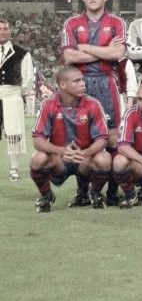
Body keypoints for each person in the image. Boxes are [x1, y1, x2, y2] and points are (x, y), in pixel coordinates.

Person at [61, 0, 127, 205]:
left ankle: (111, 192)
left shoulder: (117, 22)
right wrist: (103, 51)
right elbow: (69, 56)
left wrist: (86, 48)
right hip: (80, 83)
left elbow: (117, 54)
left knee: (111, 137)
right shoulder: (71, 23)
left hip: (107, 82)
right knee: (82, 138)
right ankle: (82, 192)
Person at [29, 66, 111, 212]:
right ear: (62, 84)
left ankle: (93, 193)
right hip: (60, 159)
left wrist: (84, 153)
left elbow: (102, 139)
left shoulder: (93, 104)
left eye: (82, 80)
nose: (83, 84)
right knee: (38, 159)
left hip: (84, 157)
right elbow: (37, 140)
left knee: (104, 159)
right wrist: (61, 151)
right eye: (77, 81)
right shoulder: (49, 104)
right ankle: (46, 196)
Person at [0, 18, 35, 181]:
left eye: (5, 29)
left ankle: (14, 169)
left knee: (14, 134)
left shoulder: (22, 53)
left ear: (10, 31)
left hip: (12, 95)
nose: (2, 32)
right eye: (0, 29)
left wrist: (16, 93)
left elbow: (27, 80)